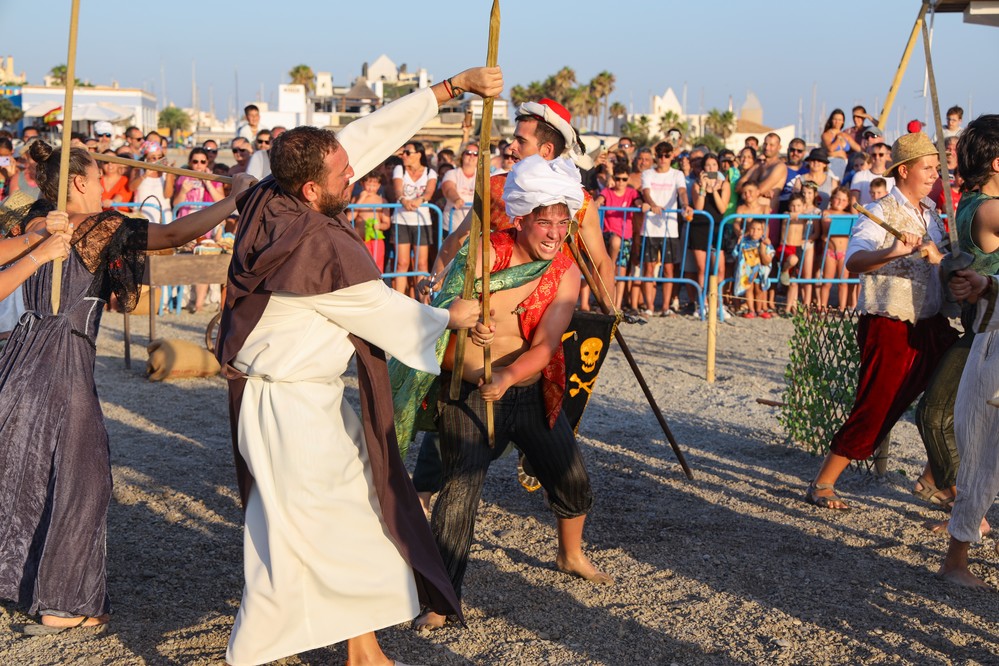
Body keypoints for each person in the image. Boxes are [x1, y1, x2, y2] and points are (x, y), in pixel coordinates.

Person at [214, 66, 501, 666]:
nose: (357, 174)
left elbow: (364, 137)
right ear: (313, 190)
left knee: (346, 518)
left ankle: (363, 651)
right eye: (345, 174)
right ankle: (260, 651)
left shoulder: (273, 196)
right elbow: (382, 312)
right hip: (291, 413)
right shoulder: (320, 249)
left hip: (299, 403)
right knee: (313, 536)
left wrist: (450, 88)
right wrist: (453, 315)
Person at [0, 140, 255, 635]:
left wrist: (36, 237)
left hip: (17, 360)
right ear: (78, 183)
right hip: (60, 360)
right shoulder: (90, 226)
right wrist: (234, 200)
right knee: (82, 481)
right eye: (96, 177)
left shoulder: (33, 219)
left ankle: (31, 584)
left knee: (29, 471)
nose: (102, 184)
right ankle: (63, 603)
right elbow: (175, 232)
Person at [412, 155, 612, 633]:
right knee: (461, 492)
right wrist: (464, 320)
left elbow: (545, 345)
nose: (556, 231)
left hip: (526, 390)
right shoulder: (484, 254)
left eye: (564, 221)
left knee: (573, 480)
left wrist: (506, 377)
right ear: (521, 219)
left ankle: (570, 554)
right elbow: (441, 311)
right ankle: (441, 599)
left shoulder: (565, 271)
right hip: (468, 392)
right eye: (546, 220)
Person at [805, 132, 956, 510]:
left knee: (957, 393)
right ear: (904, 171)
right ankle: (824, 481)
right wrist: (892, 250)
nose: (934, 175)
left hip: (931, 322)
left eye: (937, 169)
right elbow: (854, 261)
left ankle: (932, 478)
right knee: (879, 405)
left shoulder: (933, 215)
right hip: (889, 323)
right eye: (928, 168)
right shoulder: (881, 211)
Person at [429, 98, 615, 309]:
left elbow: (601, 262)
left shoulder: (579, 202)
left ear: (546, 150)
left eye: (521, 141)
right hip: (496, 316)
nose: (511, 147)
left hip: (553, 315)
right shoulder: (496, 187)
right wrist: (435, 278)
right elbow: (461, 236)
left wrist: (608, 318)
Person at [391, 140, 437, 297]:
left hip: (422, 220)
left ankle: (423, 300)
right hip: (401, 220)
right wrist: (403, 200)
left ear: (419, 154)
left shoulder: (430, 172)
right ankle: (398, 298)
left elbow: (429, 192)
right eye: (403, 152)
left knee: (422, 263)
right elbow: (397, 189)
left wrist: (420, 200)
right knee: (402, 263)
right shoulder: (399, 169)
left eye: (408, 152)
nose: (404, 155)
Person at [596, 163, 642, 310]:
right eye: (617, 179)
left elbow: (638, 201)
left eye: (623, 179)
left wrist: (643, 205)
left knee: (620, 272)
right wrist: (597, 203)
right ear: (613, 178)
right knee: (614, 245)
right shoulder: (607, 191)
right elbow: (600, 199)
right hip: (609, 235)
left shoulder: (631, 193)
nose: (620, 183)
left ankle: (617, 304)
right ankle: (606, 302)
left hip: (626, 236)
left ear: (628, 179)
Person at [350, 170, 391, 270]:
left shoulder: (382, 201)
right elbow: (350, 217)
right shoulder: (356, 199)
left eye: (374, 185)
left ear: (379, 186)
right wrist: (361, 199)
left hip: (376, 239)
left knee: (376, 267)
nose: (371, 188)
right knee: (361, 267)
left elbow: (387, 223)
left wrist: (380, 226)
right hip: (360, 239)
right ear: (362, 184)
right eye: (368, 184)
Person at [733, 218, 773, 318]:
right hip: (747, 271)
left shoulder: (765, 242)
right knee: (748, 289)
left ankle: (759, 309)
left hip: (761, 271)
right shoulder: (743, 242)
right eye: (753, 229)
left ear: (763, 232)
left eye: (759, 229)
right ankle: (751, 310)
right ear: (748, 229)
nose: (755, 232)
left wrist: (764, 249)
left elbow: (769, 257)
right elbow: (735, 253)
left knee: (759, 290)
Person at [441, 142, 477, 233]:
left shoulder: (486, 175)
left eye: (476, 154)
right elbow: (448, 188)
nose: (472, 156)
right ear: (462, 155)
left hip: (475, 228)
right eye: (468, 153)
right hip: (452, 226)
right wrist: (456, 199)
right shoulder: (451, 173)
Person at [822, 109, 862, 181]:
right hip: (833, 162)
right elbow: (831, 149)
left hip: (844, 163)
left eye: (840, 120)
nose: (837, 122)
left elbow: (858, 148)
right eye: (835, 119)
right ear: (831, 120)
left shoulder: (845, 135)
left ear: (843, 121)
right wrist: (838, 138)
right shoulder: (827, 134)